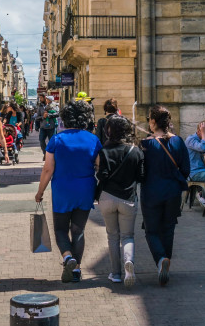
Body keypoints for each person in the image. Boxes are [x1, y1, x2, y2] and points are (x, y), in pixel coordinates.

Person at [35, 99, 101, 283]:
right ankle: (77, 269)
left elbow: (48, 169)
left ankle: (67, 258)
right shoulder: (93, 139)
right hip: (85, 189)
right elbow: (99, 167)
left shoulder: (57, 139)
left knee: (61, 230)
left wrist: (40, 191)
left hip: (62, 190)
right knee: (78, 231)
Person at [140, 104, 191, 286]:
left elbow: (141, 172)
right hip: (172, 192)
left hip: (151, 192)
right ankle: (166, 260)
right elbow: (186, 169)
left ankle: (161, 260)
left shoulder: (145, 144)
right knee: (168, 229)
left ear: (153, 122)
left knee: (151, 230)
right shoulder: (178, 141)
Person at [96, 114, 144, 287]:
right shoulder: (135, 151)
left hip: (107, 197)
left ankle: (115, 274)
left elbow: (101, 175)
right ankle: (128, 263)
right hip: (128, 198)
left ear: (109, 130)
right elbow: (141, 176)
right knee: (128, 236)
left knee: (112, 236)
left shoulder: (104, 150)